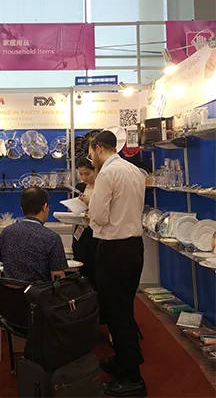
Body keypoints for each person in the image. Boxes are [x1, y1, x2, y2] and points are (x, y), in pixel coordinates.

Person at [87, 131, 147, 397]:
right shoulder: (133, 170)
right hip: (133, 248)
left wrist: (91, 214)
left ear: (99, 148)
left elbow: (98, 215)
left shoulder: (107, 173)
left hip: (114, 250)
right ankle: (122, 361)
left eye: (90, 152)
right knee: (122, 308)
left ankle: (134, 378)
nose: (90, 158)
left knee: (117, 313)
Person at [0, 186, 67, 282]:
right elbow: (58, 278)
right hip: (40, 290)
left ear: (22, 208)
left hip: (9, 290)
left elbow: (5, 262)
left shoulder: (6, 232)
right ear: (44, 207)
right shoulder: (52, 238)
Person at [72, 155, 98, 287]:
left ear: (96, 170)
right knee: (81, 265)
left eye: (87, 174)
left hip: (96, 232)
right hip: (80, 232)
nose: (84, 178)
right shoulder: (80, 187)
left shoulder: (102, 187)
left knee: (96, 267)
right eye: (81, 174)